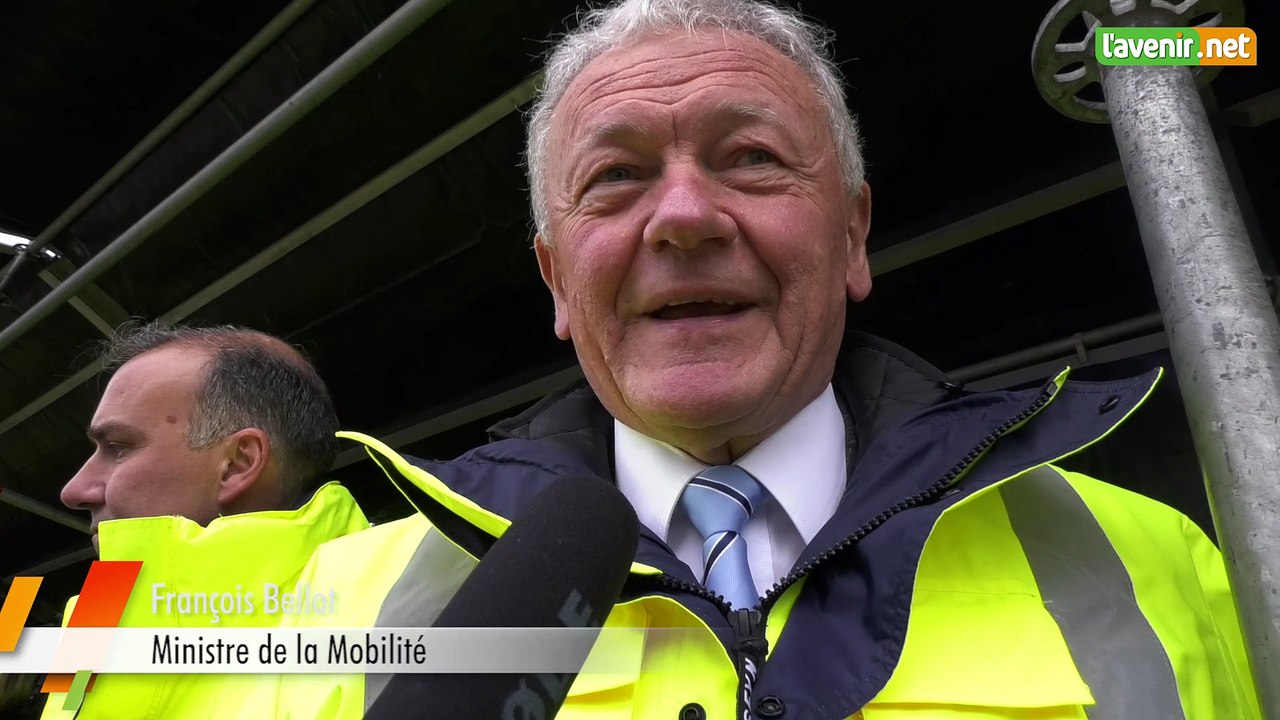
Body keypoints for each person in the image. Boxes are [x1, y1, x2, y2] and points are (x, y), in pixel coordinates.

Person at [225, 1, 1261, 717]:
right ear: (553, 279)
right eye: (616, 176)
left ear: (851, 236)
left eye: (751, 158)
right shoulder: (339, 600)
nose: (680, 216)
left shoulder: (1155, 558)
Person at [42, 321, 370, 719]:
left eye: (117, 447)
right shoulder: (92, 619)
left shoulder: (387, 616)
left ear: (237, 464)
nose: (74, 491)